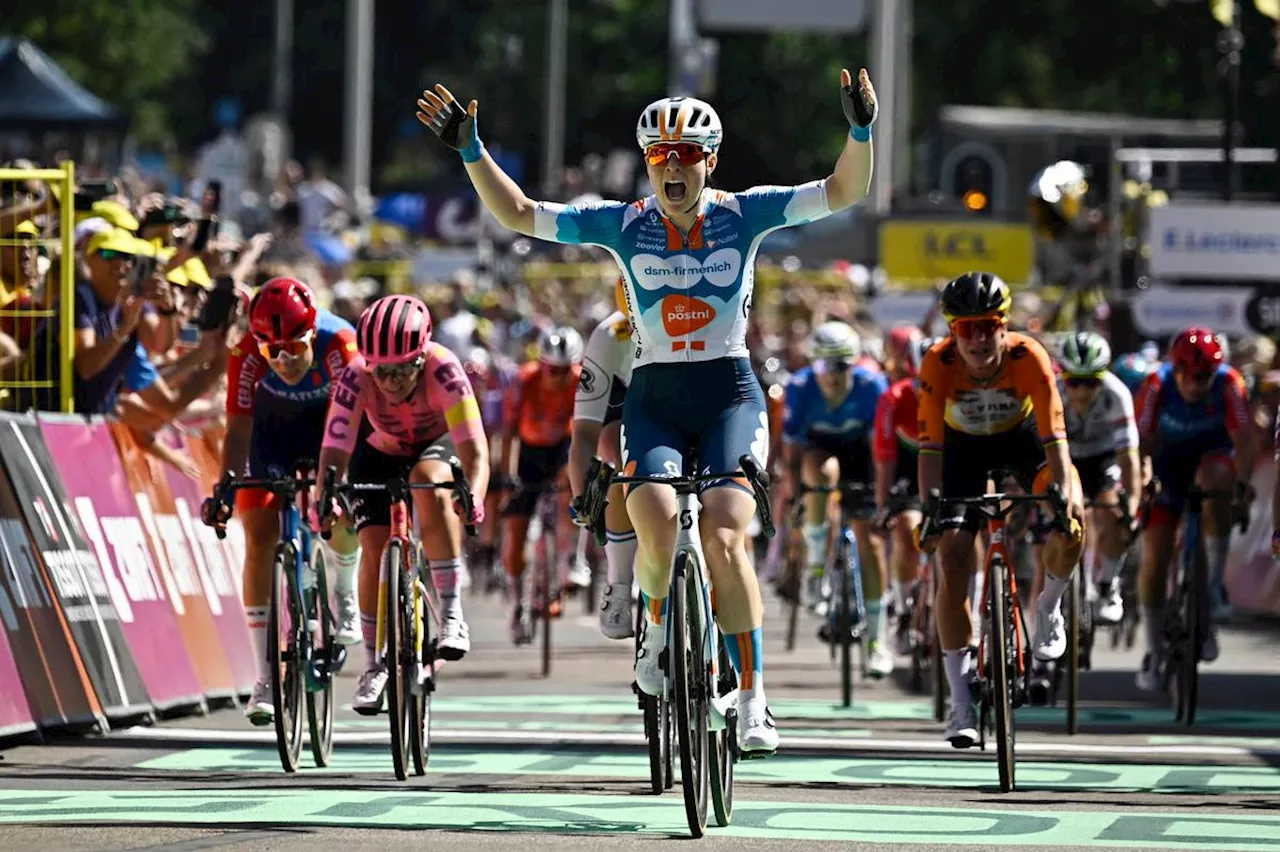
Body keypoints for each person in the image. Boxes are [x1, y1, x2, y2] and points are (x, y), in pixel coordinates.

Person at [416, 63, 879, 756]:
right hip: (657, 398)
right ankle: (655, 628)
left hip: (728, 391)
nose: (674, 166)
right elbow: (518, 214)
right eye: (660, 155)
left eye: (688, 154)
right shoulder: (622, 224)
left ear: (710, 161)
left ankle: (754, 696)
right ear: (646, 162)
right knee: (654, 521)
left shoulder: (743, 214)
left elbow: (845, 189)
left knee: (725, 534)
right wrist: (472, 152)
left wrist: (861, 129)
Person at [915, 271, 1084, 749]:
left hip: (1023, 443)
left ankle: (1048, 608)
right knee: (951, 560)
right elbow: (929, 448)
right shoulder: (937, 362)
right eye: (966, 328)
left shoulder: (1027, 355)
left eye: (988, 325)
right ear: (951, 330)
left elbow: (1055, 438)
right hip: (962, 450)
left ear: (1004, 325)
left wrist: (1063, 497)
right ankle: (961, 701)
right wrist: (932, 509)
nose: (978, 338)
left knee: (1073, 518)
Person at [317, 295, 488, 714]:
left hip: (435, 446)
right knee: (374, 549)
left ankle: (450, 613)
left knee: (428, 482)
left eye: (401, 372)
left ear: (421, 358)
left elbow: (475, 450)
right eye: (381, 372)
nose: (390, 383)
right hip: (378, 450)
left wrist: (475, 496)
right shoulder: (357, 375)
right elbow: (335, 450)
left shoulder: (445, 368)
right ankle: (374, 664)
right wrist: (325, 496)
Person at [205, 276, 363, 725]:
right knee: (258, 538)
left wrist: (336, 482)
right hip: (269, 434)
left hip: (331, 427)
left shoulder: (342, 345)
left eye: (294, 347)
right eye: (272, 350)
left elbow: (353, 420)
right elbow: (237, 431)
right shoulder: (245, 356)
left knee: (343, 509)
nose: (284, 359)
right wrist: (226, 487)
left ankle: (343, 590)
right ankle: (264, 677)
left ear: (313, 333)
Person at [1133, 326, 1253, 691]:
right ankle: (1154, 650)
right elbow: (1140, 444)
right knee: (1156, 556)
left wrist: (1243, 489)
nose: (1202, 384)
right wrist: (1144, 482)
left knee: (1217, 480)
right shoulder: (1157, 383)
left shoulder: (1229, 383)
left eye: (1208, 376)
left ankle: (1212, 592)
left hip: (1212, 458)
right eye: (1196, 377)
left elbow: (1244, 441)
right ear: (1178, 370)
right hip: (1166, 463)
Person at [783, 321, 893, 676]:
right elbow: (792, 451)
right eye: (824, 365)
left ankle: (877, 640)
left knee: (870, 542)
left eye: (842, 365)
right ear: (814, 363)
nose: (832, 374)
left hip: (862, 455)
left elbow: (881, 450)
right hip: (819, 455)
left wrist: (881, 494)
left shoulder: (872, 387)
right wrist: (790, 491)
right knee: (822, 472)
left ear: (855, 363)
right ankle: (817, 566)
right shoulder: (799, 387)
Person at [498, 325, 584, 645]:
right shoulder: (524, 380)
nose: (557, 377)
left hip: (562, 445)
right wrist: (507, 478)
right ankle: (518, 602)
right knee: (517, 533)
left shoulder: (580, 380)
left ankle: (569, 562)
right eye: (551, 370)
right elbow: (507, 432)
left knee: (571, 483)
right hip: (528, 452)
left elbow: (589, 428)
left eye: (564, 371)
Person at [1053, 332, 1140, 625]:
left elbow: (1129, 458)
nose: (1080, 391)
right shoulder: (1051, 392)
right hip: (1065, 458)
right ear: (1062, 375)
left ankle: (1107, 583)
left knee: (1113, 513)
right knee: (1064, 516)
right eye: (1073, 381)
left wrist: (1132, 508)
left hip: (1103, 458)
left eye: (1090, 381)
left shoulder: (1117, 395)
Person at [569, 279, 637, 640]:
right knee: (614, 441)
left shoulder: (700, 318)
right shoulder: (611, 336)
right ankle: (620, 580)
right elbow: (584, 432)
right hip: (629, 397)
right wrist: (582, 495)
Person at [872, 333, 931, 654]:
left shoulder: (956, 396)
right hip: (907, 471)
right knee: (907, 527)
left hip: (946, 465)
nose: (927, 391)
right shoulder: (893, 398)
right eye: (921, 383)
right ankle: (905, 607)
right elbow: (884, 461)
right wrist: (883, 506)